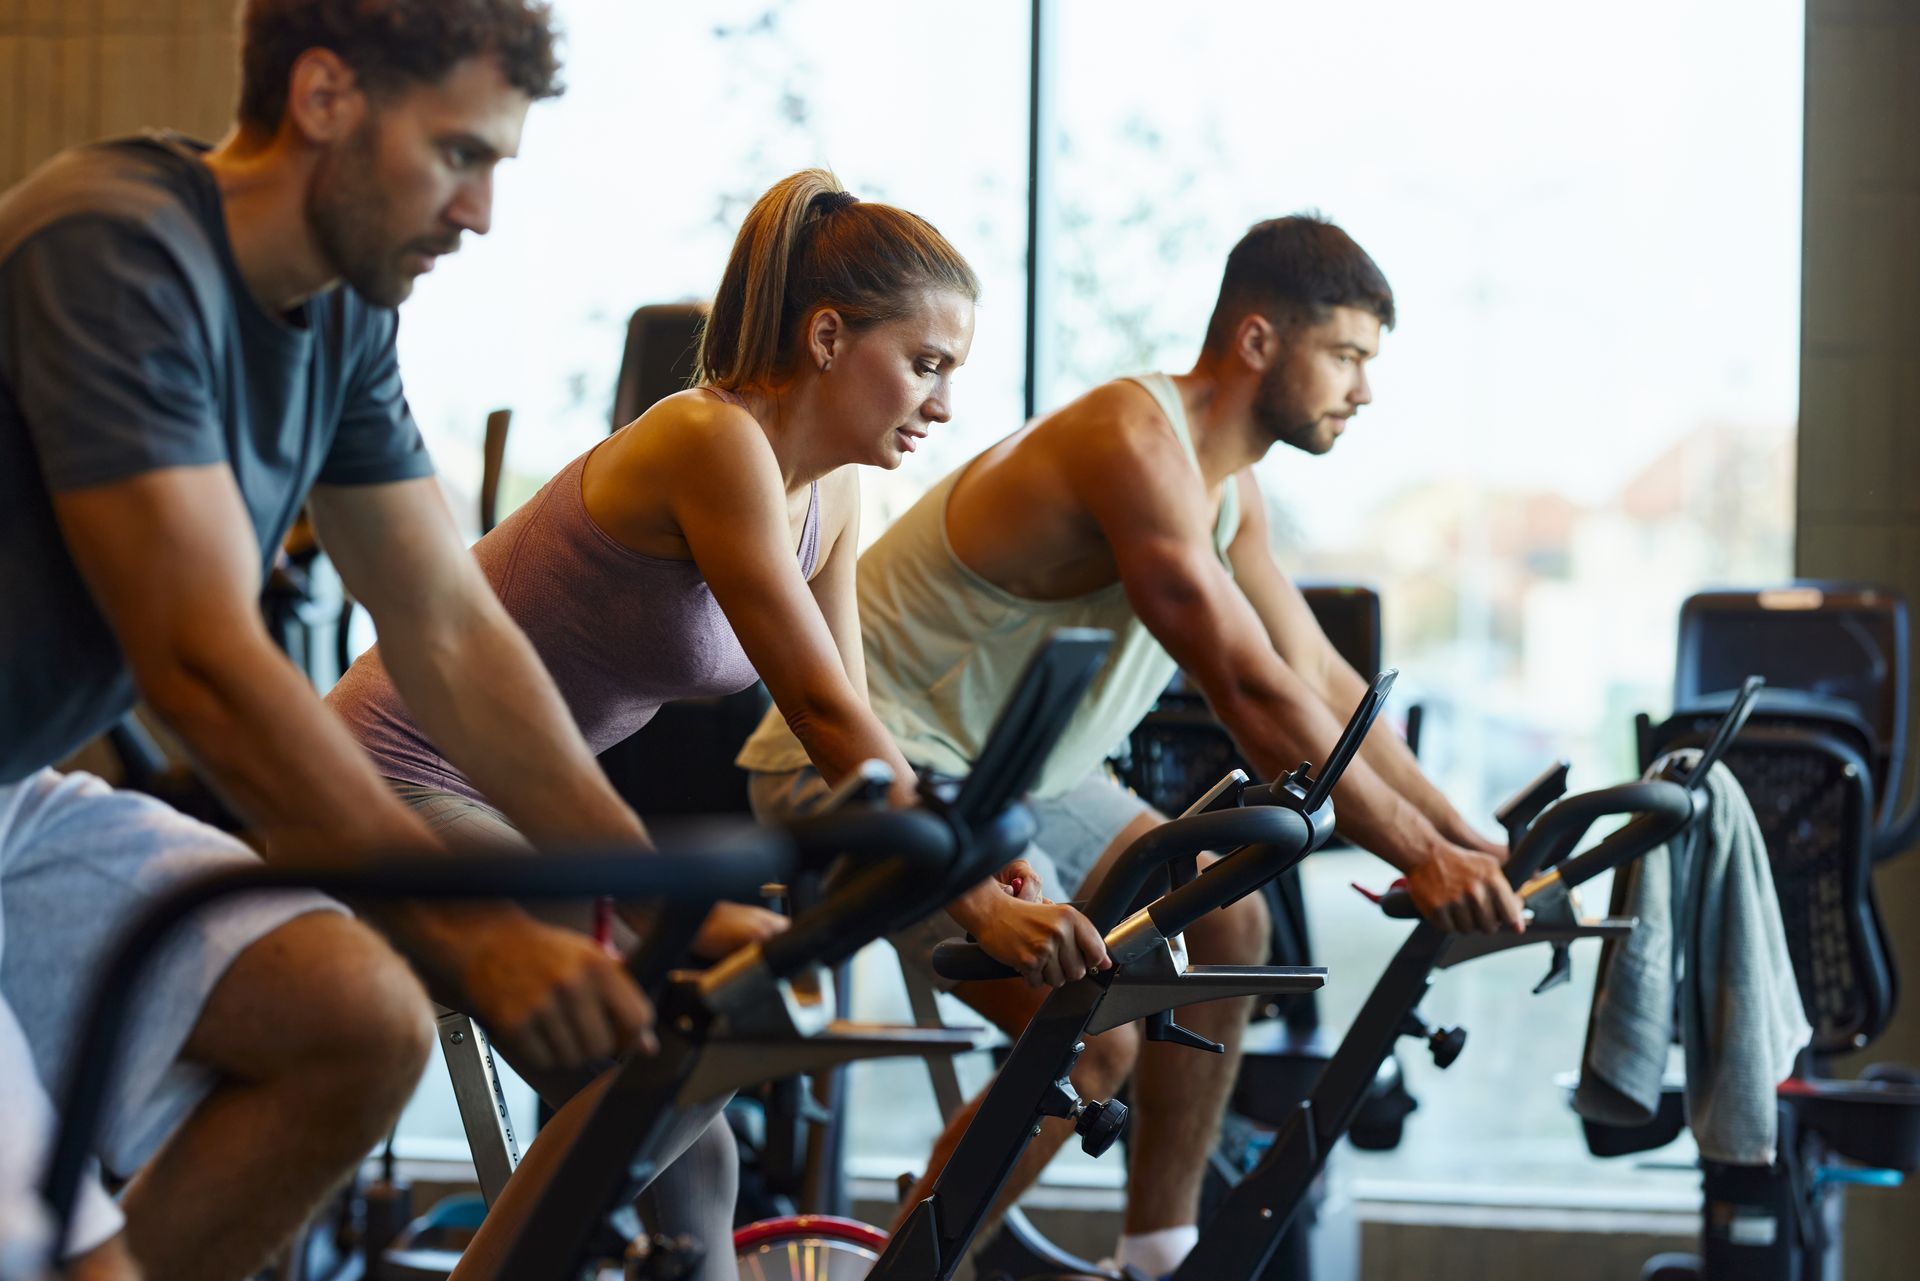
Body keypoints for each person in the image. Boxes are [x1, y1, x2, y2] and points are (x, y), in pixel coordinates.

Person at [324, 168, 1106, 1280]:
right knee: (675, 1053)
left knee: (697, 1170)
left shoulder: (831, 494)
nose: (942, 405)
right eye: (926, 365)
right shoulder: (710, 439)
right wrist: (974, 901)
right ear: (828, 336)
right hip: (391, 778)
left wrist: (982, 857)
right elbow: (820, 712)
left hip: (533, 811)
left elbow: (858, 721)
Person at [0, 3, 670, 1277]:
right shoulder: (112, 246)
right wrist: (472, 937)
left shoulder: (343, 317)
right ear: (323, 97)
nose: (480, 213)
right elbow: (200, 661)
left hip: (13, 797)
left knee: (357, 1023)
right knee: (75, 1256)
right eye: (459, 154)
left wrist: (646, 895)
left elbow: (447, 629)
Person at [739, 214, 1525, 1278]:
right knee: (1089, 1042)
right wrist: (1422, 862)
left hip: (1023, 776)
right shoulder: (1130, 439)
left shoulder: (1228, 487)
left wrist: (1471, 842)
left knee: (1229, 912)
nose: (1364, 390)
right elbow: (1247, 685)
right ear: (1258, 341)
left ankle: (1157, 1253)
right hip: (861, 768)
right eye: (1345, 355)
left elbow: (1317, 675)